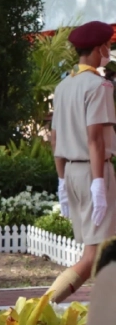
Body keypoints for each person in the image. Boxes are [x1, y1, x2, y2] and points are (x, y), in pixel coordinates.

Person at [48, 21, 116, 304]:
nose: (110, 51)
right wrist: (99, 184)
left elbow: (54, 138)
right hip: (93, 172)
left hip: (74, 173)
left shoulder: (64, 86)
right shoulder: (98, 86)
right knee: (92, 257)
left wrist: (62, 180)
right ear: (99, 48)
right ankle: (35, 310)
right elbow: (96, 140)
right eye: (108, 46)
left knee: (102, 252)